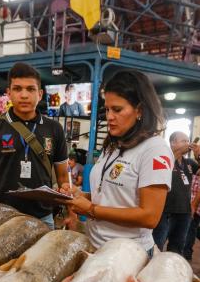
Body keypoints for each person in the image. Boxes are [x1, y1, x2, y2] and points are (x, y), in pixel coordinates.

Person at [60, 69, 173, 255]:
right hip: (96, 245)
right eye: (107, 109)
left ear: (140, 110)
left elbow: (150, 216)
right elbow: (112, 196)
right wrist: (81, 196)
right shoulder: (114, 145)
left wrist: (91, 209)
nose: (109, 116)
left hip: (127, 254)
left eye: (117, 109)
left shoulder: (155, 149)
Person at [0, 62, 69, 229]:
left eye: (30, 89)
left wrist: (70, 214)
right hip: (1, 217)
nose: (24, 95)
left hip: (43, 218)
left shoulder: (54, 129)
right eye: (17, 89)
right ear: (8, 93)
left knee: (42, 257)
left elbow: (63, 178)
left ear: (40, 93)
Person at [152, 132, 195, 253]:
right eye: (184, 141)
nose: (188, 143)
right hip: (165, 212)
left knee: (177, 247)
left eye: (188, 141)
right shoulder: (162, 158)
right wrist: (177, 153)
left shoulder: (189, 162)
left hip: (184, 212)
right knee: (157, 246)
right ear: (172, 143)